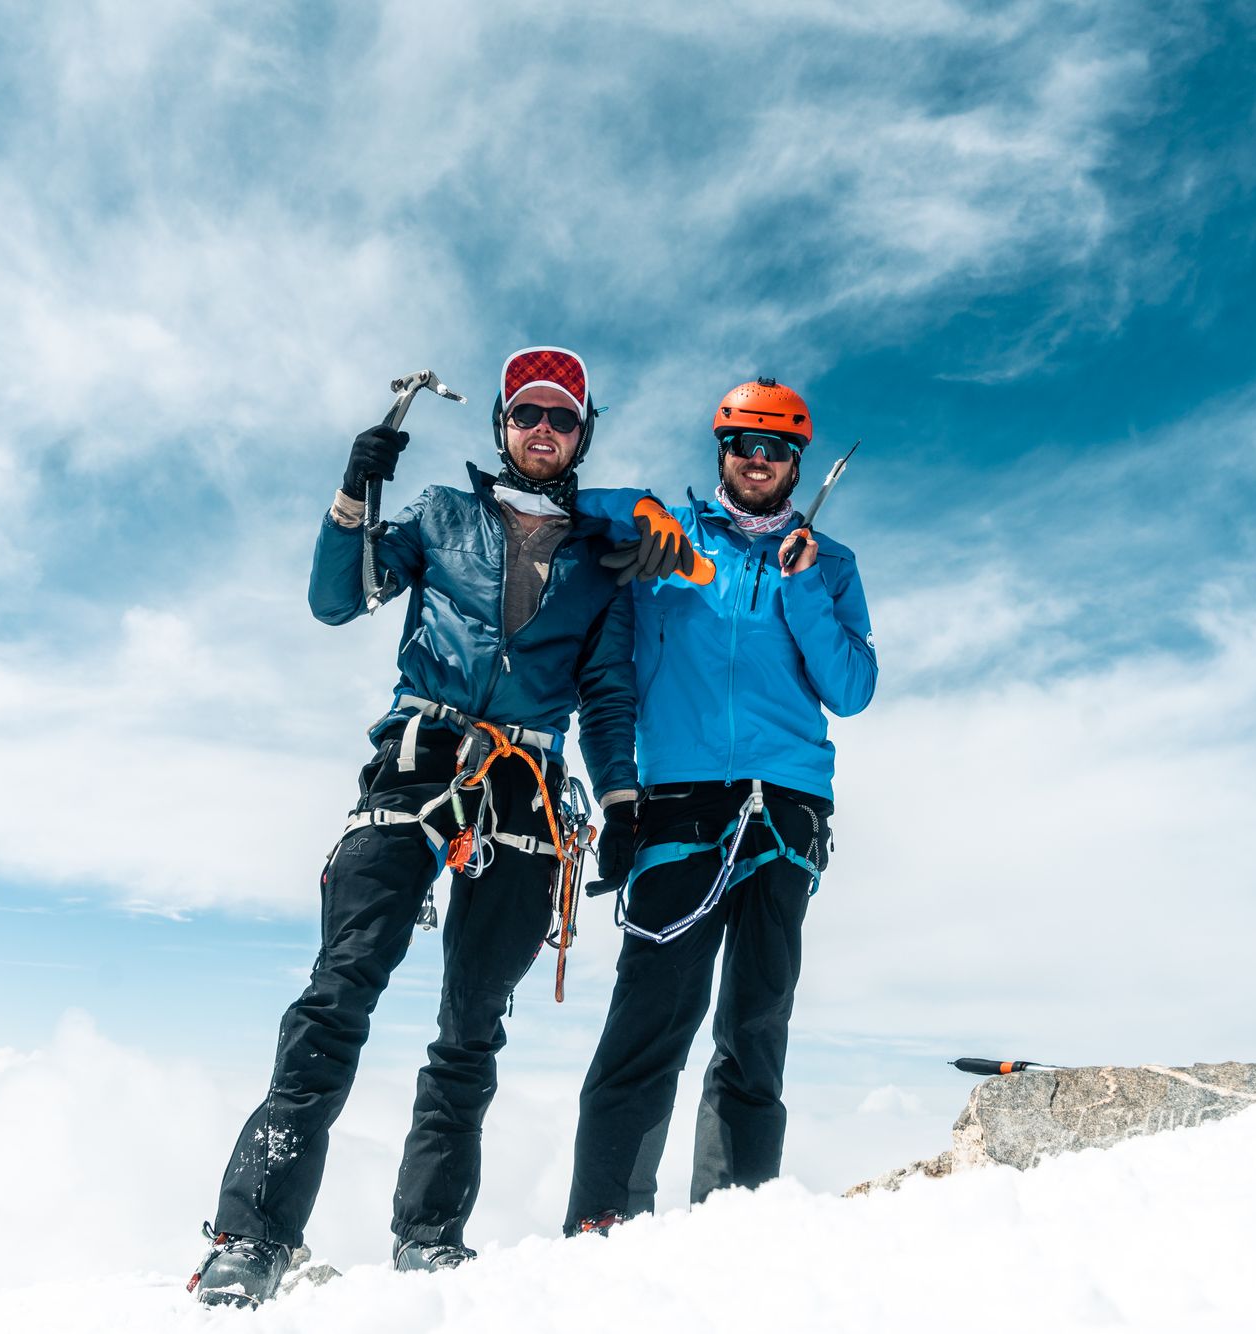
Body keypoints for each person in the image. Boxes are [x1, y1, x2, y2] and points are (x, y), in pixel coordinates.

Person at [190, 346, 676, 1306]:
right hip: (420, 758)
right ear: (502, 424)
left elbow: (609, 696)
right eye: (528, 415)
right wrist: (352, 495)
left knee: (473, 1025)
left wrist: (623, 805)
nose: (544, 431)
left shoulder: (601, 558)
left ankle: (431, 1237)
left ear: (582, 436)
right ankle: (250, 1236)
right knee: (338, 994)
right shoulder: (442, 518)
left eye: (563, 420)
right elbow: (338, 600)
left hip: (528, 783)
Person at [564, 377, 878, 1235]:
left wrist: (806, 587)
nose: (756, 461)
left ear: (796, 463)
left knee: (755, 1021)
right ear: (722, 451)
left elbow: (851, 690)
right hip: (681, 804)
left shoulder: (831, 565)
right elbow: (572, 509)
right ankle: (602, 1223)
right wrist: (638, 507)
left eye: (775, 449)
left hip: (786, 813)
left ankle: (729, 1232)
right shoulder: (669, 541)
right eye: (742, 443)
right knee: (650, 1016)